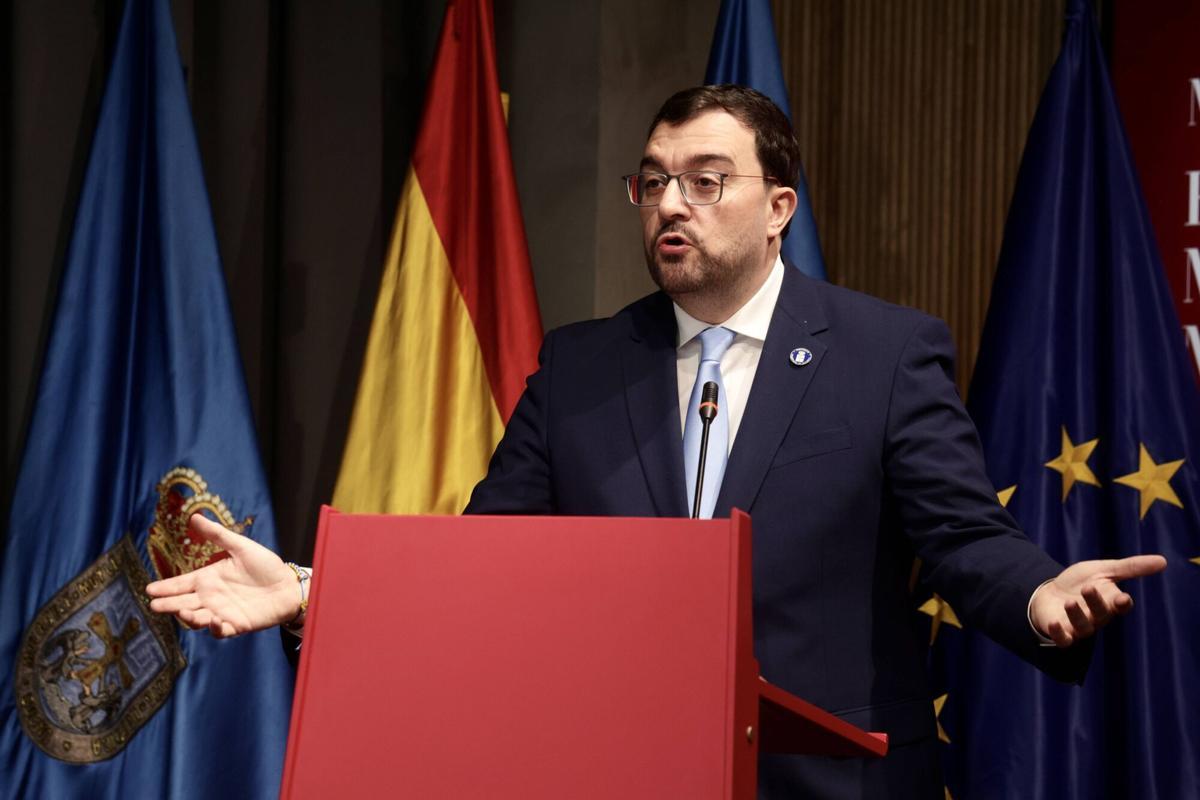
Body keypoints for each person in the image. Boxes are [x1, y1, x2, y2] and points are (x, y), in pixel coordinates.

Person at [148, 85, 1166, 798]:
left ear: (779, 209)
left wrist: (1036, 592)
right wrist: (316, 589)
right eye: (653, 180)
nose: (671, 202)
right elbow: (482, 559)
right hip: (618, 772)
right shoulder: (587, 365)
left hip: (832, 780)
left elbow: (959, 534)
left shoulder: (884, 352)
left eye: (705, 180)